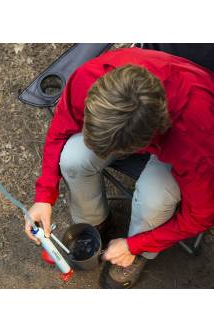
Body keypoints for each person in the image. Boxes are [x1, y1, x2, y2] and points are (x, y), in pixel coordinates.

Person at [24, 47, 214, 288]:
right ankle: (96, 226)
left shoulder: (199, 135)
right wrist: (44, 195)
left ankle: (136, 252)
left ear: (142, 143)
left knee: (155, 197)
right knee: (72, 156)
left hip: (181, 134)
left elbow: (201, 216)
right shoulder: (91, 78)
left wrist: (135, 245)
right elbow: (60, 130)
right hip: (144, 123)